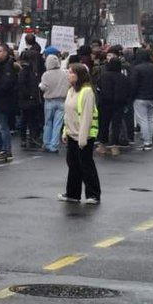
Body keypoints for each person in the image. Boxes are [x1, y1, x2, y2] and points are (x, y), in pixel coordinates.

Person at [60, 63, 101, 205]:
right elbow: (68, 114)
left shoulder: (87, 92)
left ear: (79, 75)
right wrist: (65, 131)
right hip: (72, 134)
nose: (68, 75)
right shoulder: (71, 90)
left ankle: (93, 194)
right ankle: (72, 193)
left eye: (71, 72)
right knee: (72, 164)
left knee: (86, 164)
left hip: (84, 135)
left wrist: (82, 138)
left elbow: (86, 117)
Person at [0, 43, 18, 163]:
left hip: (3, 100)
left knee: (3, 126)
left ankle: (7, 150)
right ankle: (0, 147)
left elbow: (6, 84)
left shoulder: (8, 66)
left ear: (5, 53)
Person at [97, 58, 131, 157]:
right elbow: (129, 90)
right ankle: (114, 146)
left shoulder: (104, 76)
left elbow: (98, 88)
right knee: (116, 125)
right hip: (119, 104)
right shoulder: (123, 78)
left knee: (104, 124)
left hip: (105, 103)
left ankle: (102, 145)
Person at [129, 48, 153, 151]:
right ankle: (149, 141)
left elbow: (133, 85)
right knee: (150, 119)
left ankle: (146, 141)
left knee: (142, 120)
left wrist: (131, 97)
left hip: (140, 97)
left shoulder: (137, 68)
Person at [39, 52, 70, 153]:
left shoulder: (46, 74)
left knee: (48, 123)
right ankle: (54, 145)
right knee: (58, 124)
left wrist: (40, 85)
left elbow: (43, 87)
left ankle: (46, 143)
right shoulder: (64, 73)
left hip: (49, 101)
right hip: (62, 101)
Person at [17, 47, 44, 149]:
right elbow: (22, 85)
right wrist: (31, 95)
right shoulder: (25, 71)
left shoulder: (30, 70)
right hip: (28, 99)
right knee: (27, 119)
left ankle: (30, 137)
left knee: (31, 119)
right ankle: (26, 138)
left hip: (30, 99)